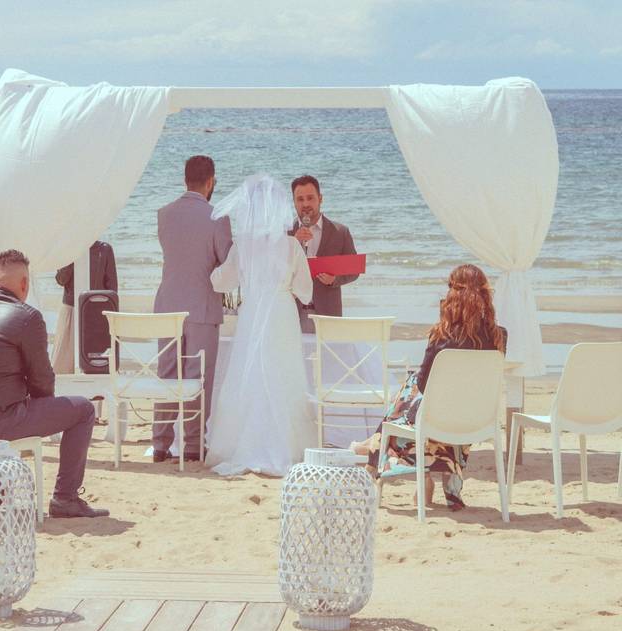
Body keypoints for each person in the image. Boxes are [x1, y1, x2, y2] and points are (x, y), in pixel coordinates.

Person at [0, 249, 109, 518]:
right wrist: (40, 404)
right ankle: (65, 498)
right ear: (24, 285)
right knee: (83, 410)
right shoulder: (26, 317)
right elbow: (42, 381)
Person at [353, 264, 507, 510]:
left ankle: (379, 454)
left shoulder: (442, 335)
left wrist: (415, 382)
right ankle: (448, 481)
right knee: (417, 394)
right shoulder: (499, 335)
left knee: (410, 389)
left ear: (453, 295)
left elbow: (425, 386)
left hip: (436, 418)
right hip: (475, 418)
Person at [205, 175, 316, 476]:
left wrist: (211, 268)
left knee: (249, 374)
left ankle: (244, 443)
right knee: (283, 374)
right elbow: (305, 291)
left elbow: (220, 282)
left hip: (253, 311)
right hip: (282, 313)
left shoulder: (242, 246)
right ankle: (286, 445)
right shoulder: (292, 246)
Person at [152, 155, 233, 463]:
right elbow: (225, 262)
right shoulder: (217, 217)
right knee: (198, 376)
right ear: (211, 181)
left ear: (185, 179)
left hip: (167, 305)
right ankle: (193, 444)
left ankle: (160, 443)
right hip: (201, 306)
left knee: (168, 373)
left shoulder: (164, 214)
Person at [289, 175, 359, 333]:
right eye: (300, 199)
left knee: (330, 357)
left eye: (310, 198)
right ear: (293, 202)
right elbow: (272, 271)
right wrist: (292, 242)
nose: (305, 204)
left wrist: (335, 279)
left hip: (327, 311)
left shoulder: (340, 232)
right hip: (291, 311)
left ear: (320, 199)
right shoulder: (284, 233)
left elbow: (354, 270)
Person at [51, 240, 118, 374]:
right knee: (61, 365)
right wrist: (73, 254)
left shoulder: (104, 249)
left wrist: (109, 319)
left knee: (95, 363)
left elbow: (112, 288)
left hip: (97, 311)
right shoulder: (69, 247)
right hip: (71, 308)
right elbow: (61, 279)